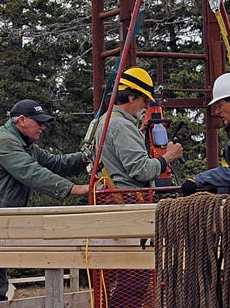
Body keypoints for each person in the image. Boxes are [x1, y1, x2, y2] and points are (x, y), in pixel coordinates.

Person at [0, 99, 90, 307]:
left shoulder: (26, 146)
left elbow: (56, 163)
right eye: (39, 122)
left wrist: (84, 159)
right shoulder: (5, 142)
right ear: (22, 121)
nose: (42, 127)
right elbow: (31, 172)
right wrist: (74, 188)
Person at [94, 67, 183, 307]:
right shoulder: (122, 127)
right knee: (136, 278)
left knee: (126, 275)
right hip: (127, 204)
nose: (146, 106)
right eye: (144, 99)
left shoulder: (106, 121)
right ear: (131, 96)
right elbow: (141, 170)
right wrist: (168, 157)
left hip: (113, 202)